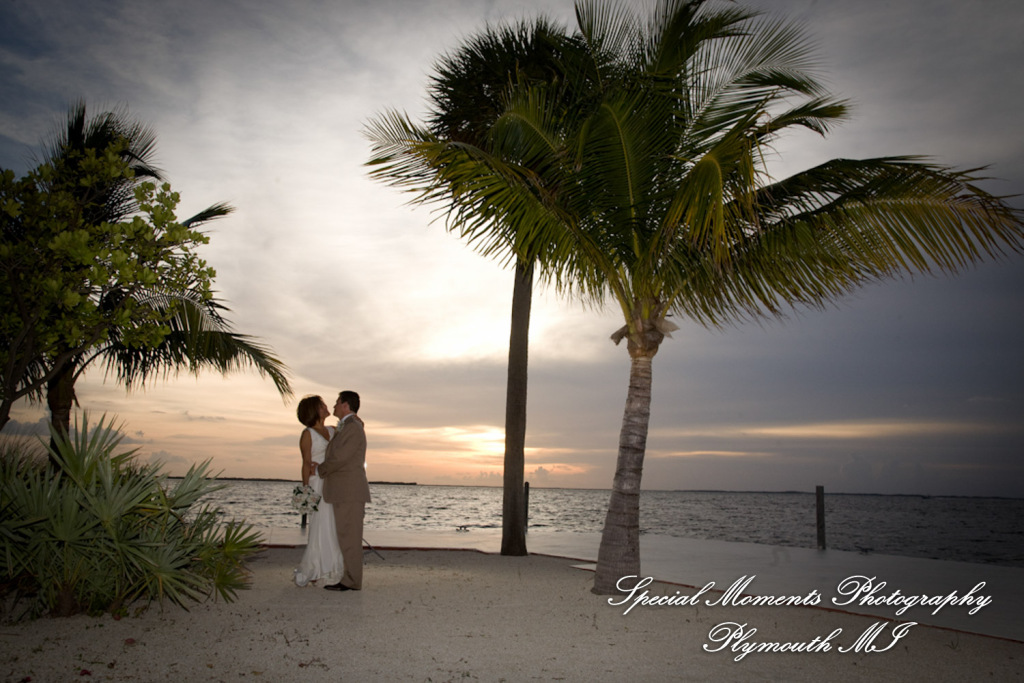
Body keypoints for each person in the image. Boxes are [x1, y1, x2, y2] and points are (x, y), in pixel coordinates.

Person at [318, 390, 371, 591]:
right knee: (346, 536)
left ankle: (351, 581)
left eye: (336, 403)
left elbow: (341, 457)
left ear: (346, 405)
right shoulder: (350, 426)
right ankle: (349, 577)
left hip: (349, 492)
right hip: (344, 491)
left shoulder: (353, 427)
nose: (333, 407)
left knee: (350, 538)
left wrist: (320, 469)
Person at [292, 395, 344, 587]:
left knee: (333, 524)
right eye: (322, 405)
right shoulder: (307, 434)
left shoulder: (333, 430)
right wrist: (306, 492)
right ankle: (318, 567)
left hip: (332, 481)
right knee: (320, 524)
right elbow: (306, 464)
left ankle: (332, 565)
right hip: (317, 483)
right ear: (315, 410)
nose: (326, 406)